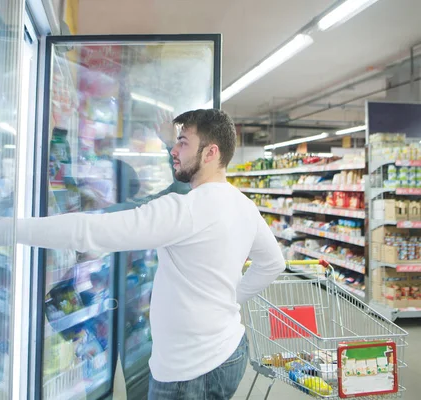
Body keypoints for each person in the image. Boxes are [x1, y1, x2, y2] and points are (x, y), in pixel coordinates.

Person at [17, 108, 286, 399]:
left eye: (183, 142)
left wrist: (5, 230)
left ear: (210, 153)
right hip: (229, 350)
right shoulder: (242, 204)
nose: (174, 149)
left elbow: (89, 230)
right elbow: (273, 263)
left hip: (189, 371)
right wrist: (231, 298)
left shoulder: (186, 209)